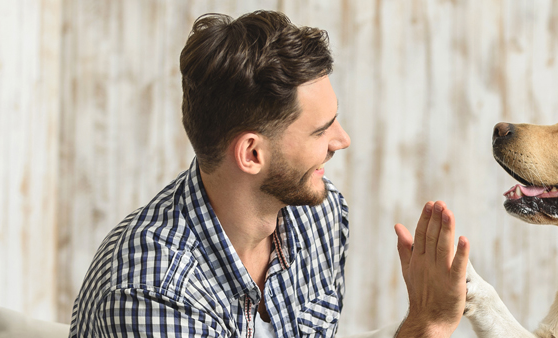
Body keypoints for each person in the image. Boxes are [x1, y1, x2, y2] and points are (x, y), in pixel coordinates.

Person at [68, 10, 470, 338]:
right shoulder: (154, 292)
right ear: (252, 153)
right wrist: (426, 326)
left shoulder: (320, 219)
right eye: (320, 129)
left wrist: (426, 321)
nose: (342, 140)